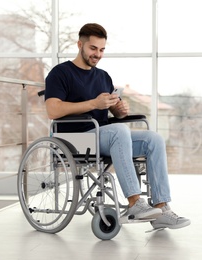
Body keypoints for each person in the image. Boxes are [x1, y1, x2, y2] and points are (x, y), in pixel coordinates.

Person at [44, 23, 190, 230]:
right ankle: (134, 203)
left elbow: (113, 113)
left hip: (104, 135)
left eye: (102, 50)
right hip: (75, 138)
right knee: (119, 131)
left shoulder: (103, 76)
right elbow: (53, 110)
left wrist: (120, 110)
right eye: (93, 48)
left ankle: (161, 208)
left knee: (153, 139)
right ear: (80, 45)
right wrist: (94, 103)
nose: (98, 54)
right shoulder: (60, 73)